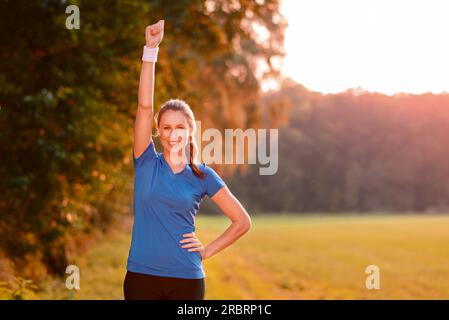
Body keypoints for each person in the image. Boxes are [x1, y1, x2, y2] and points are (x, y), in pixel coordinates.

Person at [123, 19, 252, 300]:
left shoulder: (203, 175)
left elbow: (242, 221)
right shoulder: (145, 162)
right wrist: (150, 51)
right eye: (166, 127)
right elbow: (144, 106)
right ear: (158, 131)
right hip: (141, 277)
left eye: (179, 127)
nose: (173, 134)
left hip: (187, 279)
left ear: (189, 130)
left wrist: (206, 251)